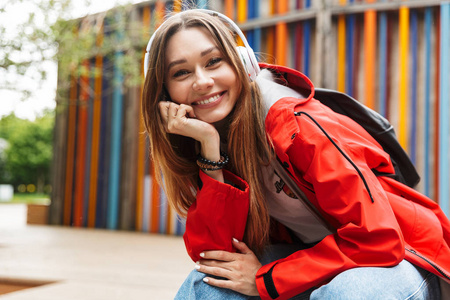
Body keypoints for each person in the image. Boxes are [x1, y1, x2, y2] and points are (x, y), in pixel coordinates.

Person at [141, 9, 450, 300]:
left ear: (244, 62)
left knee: (351, 293)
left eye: (213, 62)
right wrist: (209, 149)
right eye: (181, 72)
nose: (202, 81)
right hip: (313, 256)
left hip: (399, 256)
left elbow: (378, 240)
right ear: (164, 91)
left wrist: (269, 279)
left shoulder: (297, 126)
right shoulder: (205, 135)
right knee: (210, 285)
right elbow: (215, 255)